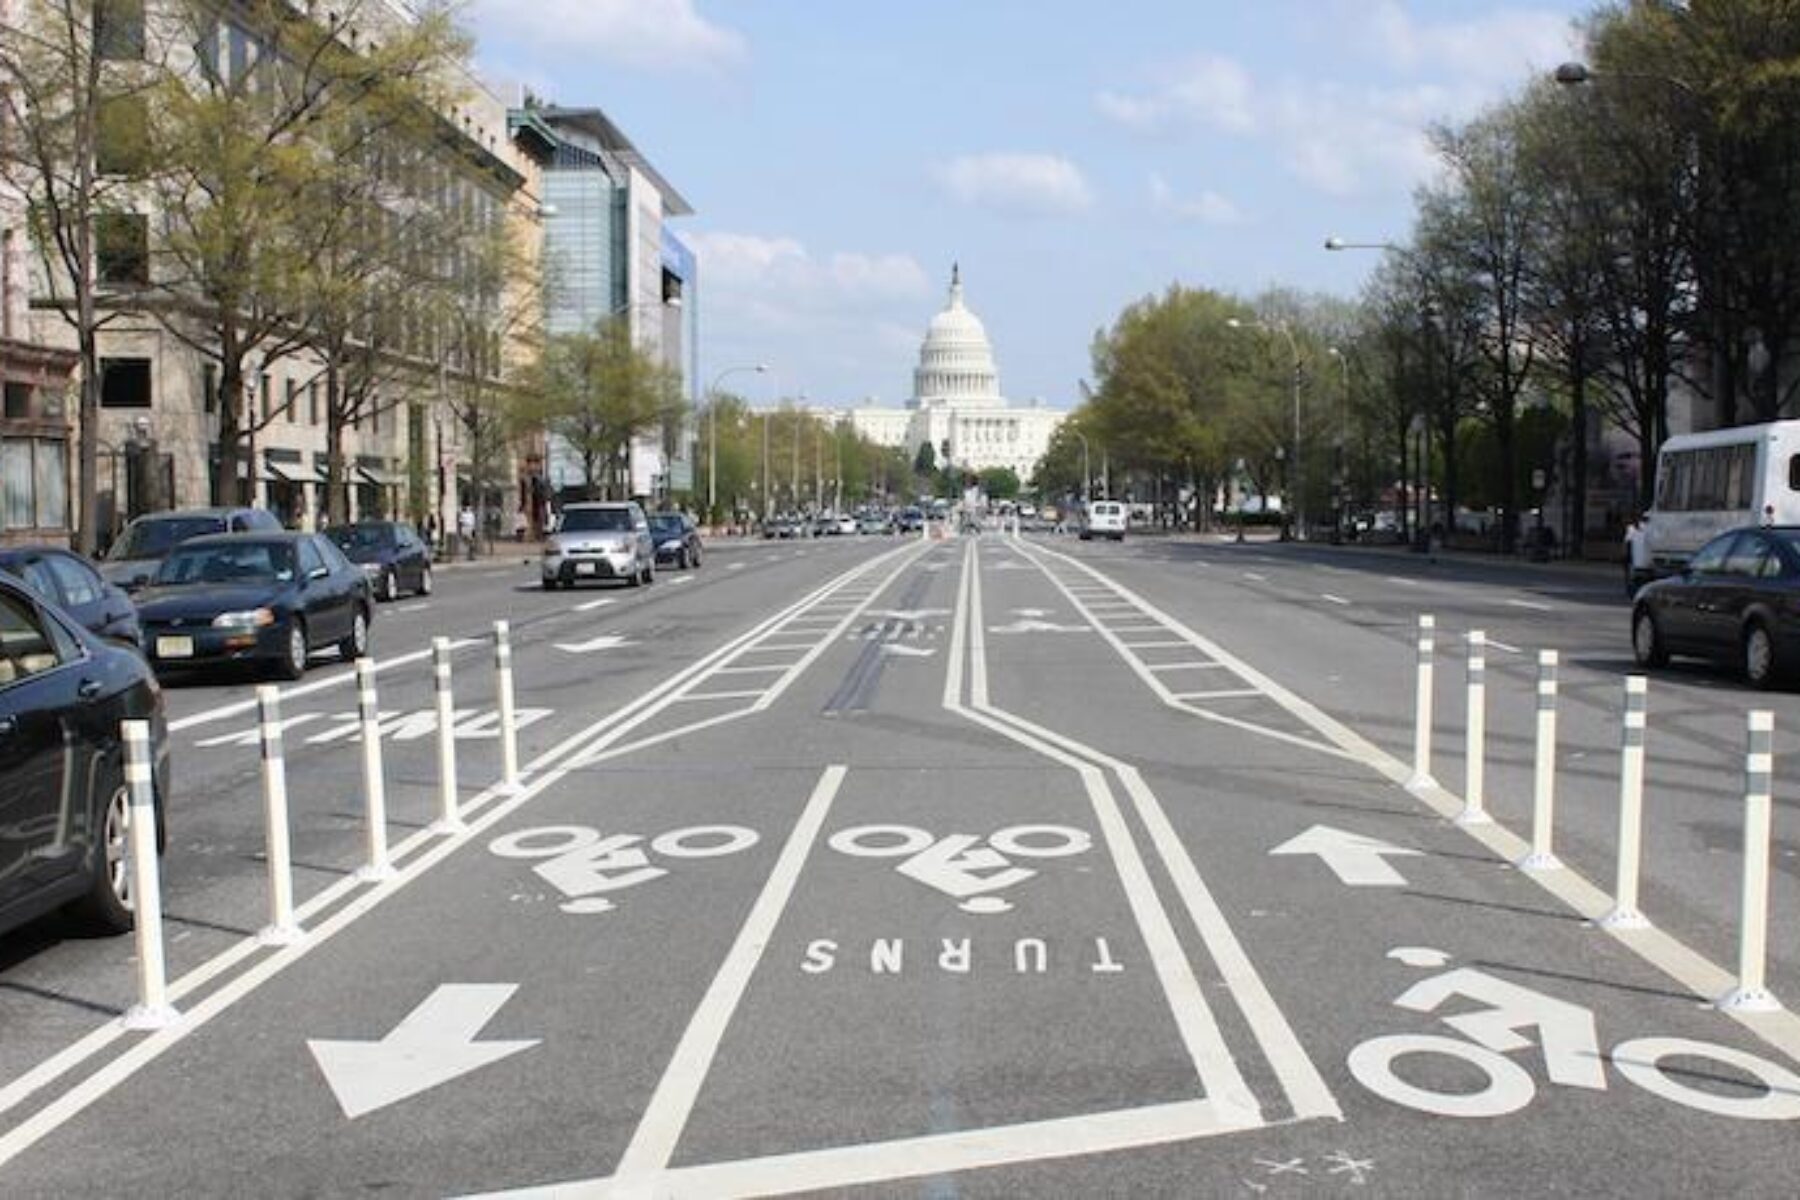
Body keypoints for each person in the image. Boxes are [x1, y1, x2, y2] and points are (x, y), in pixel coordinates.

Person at [1624, 514, 1653, 596]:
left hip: (1636, 560)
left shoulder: (1632, 529)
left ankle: (1634, 592)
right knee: (1639, 579)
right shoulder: (1651, 530)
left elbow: (1627, 543)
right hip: (1644, 561)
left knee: (1634, 578)